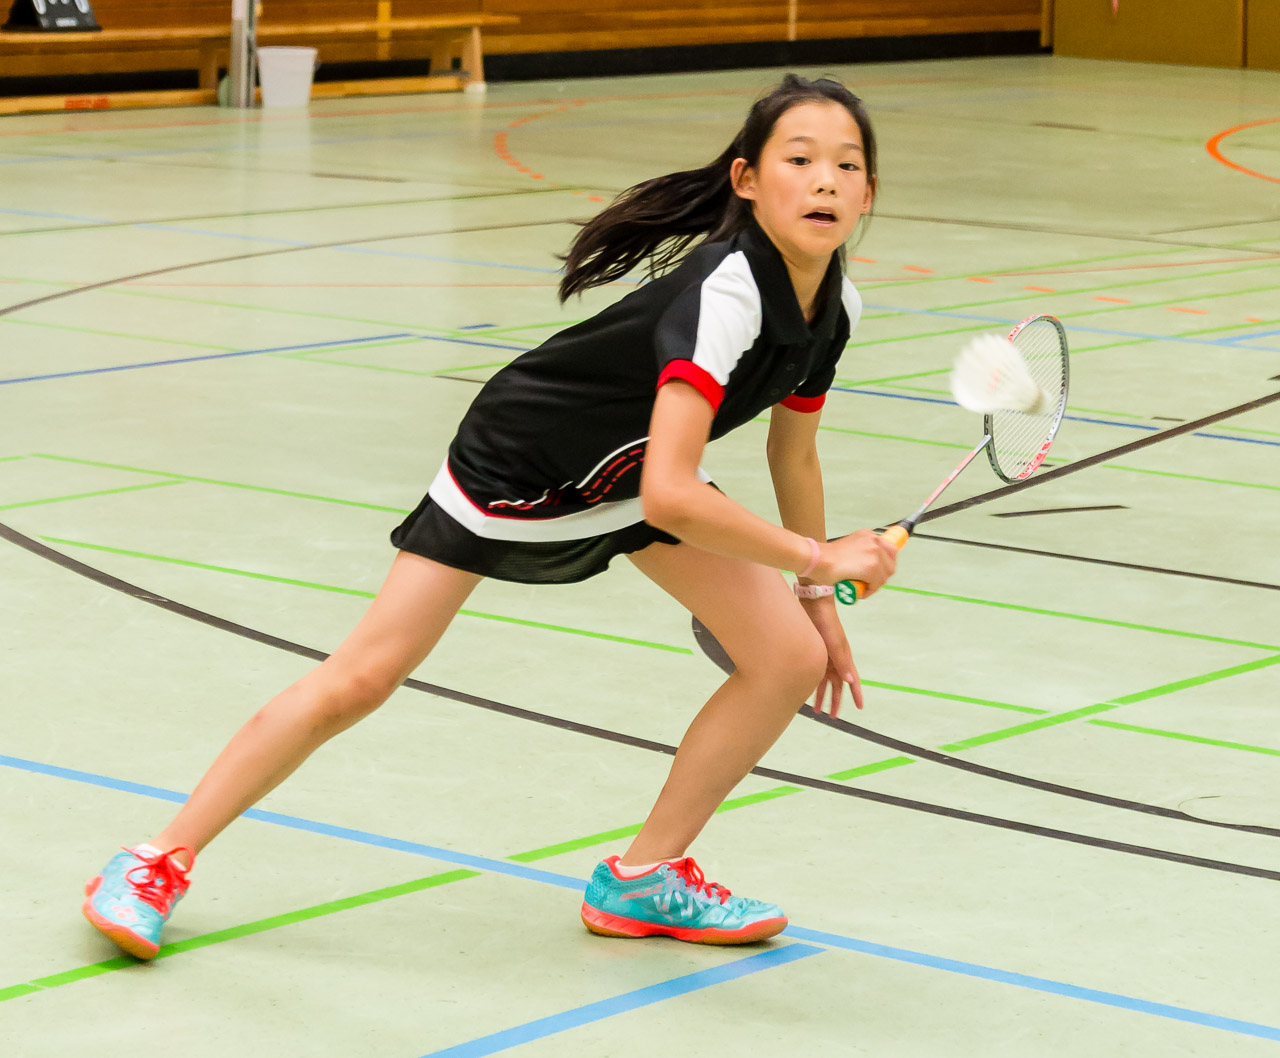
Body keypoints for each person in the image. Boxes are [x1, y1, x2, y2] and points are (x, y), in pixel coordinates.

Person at [83, 73, 898, 958]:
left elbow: (793, 453)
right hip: (520, 460)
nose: (824, 180)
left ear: (868, 193)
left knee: (788, 657)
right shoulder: (726, 291)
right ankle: (154, 860)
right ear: (747, 180)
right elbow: (673, 495)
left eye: (846, 164)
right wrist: (818, 560)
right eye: (799, 160)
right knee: (363, 678)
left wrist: (816, 603)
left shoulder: (834, 306)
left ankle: (642, 879)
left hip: (625, 470)